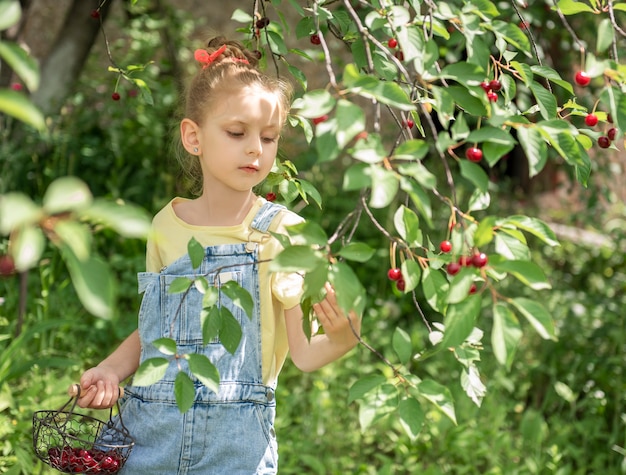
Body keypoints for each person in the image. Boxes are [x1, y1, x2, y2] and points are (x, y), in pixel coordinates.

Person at [76, 37, 361, 474]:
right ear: (194, 137)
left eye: (269, 138)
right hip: (149, 433)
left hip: (236, 449)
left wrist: (343, 337)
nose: (255, 149)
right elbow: (157, 330)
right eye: (237, 132)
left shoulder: (283, 233)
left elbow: (302, 354)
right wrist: (112, 369)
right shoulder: (165, 225)